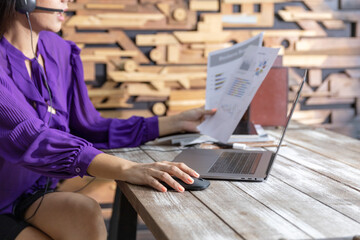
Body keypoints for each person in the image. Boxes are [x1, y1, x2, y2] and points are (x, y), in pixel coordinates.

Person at [0, 0, 216, 239]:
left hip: (30, 194)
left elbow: (89, 127)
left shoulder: (58, 51)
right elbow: (32, 138)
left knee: (86, 213)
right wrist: (128, 169)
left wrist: (176, 122)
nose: (66, 1)